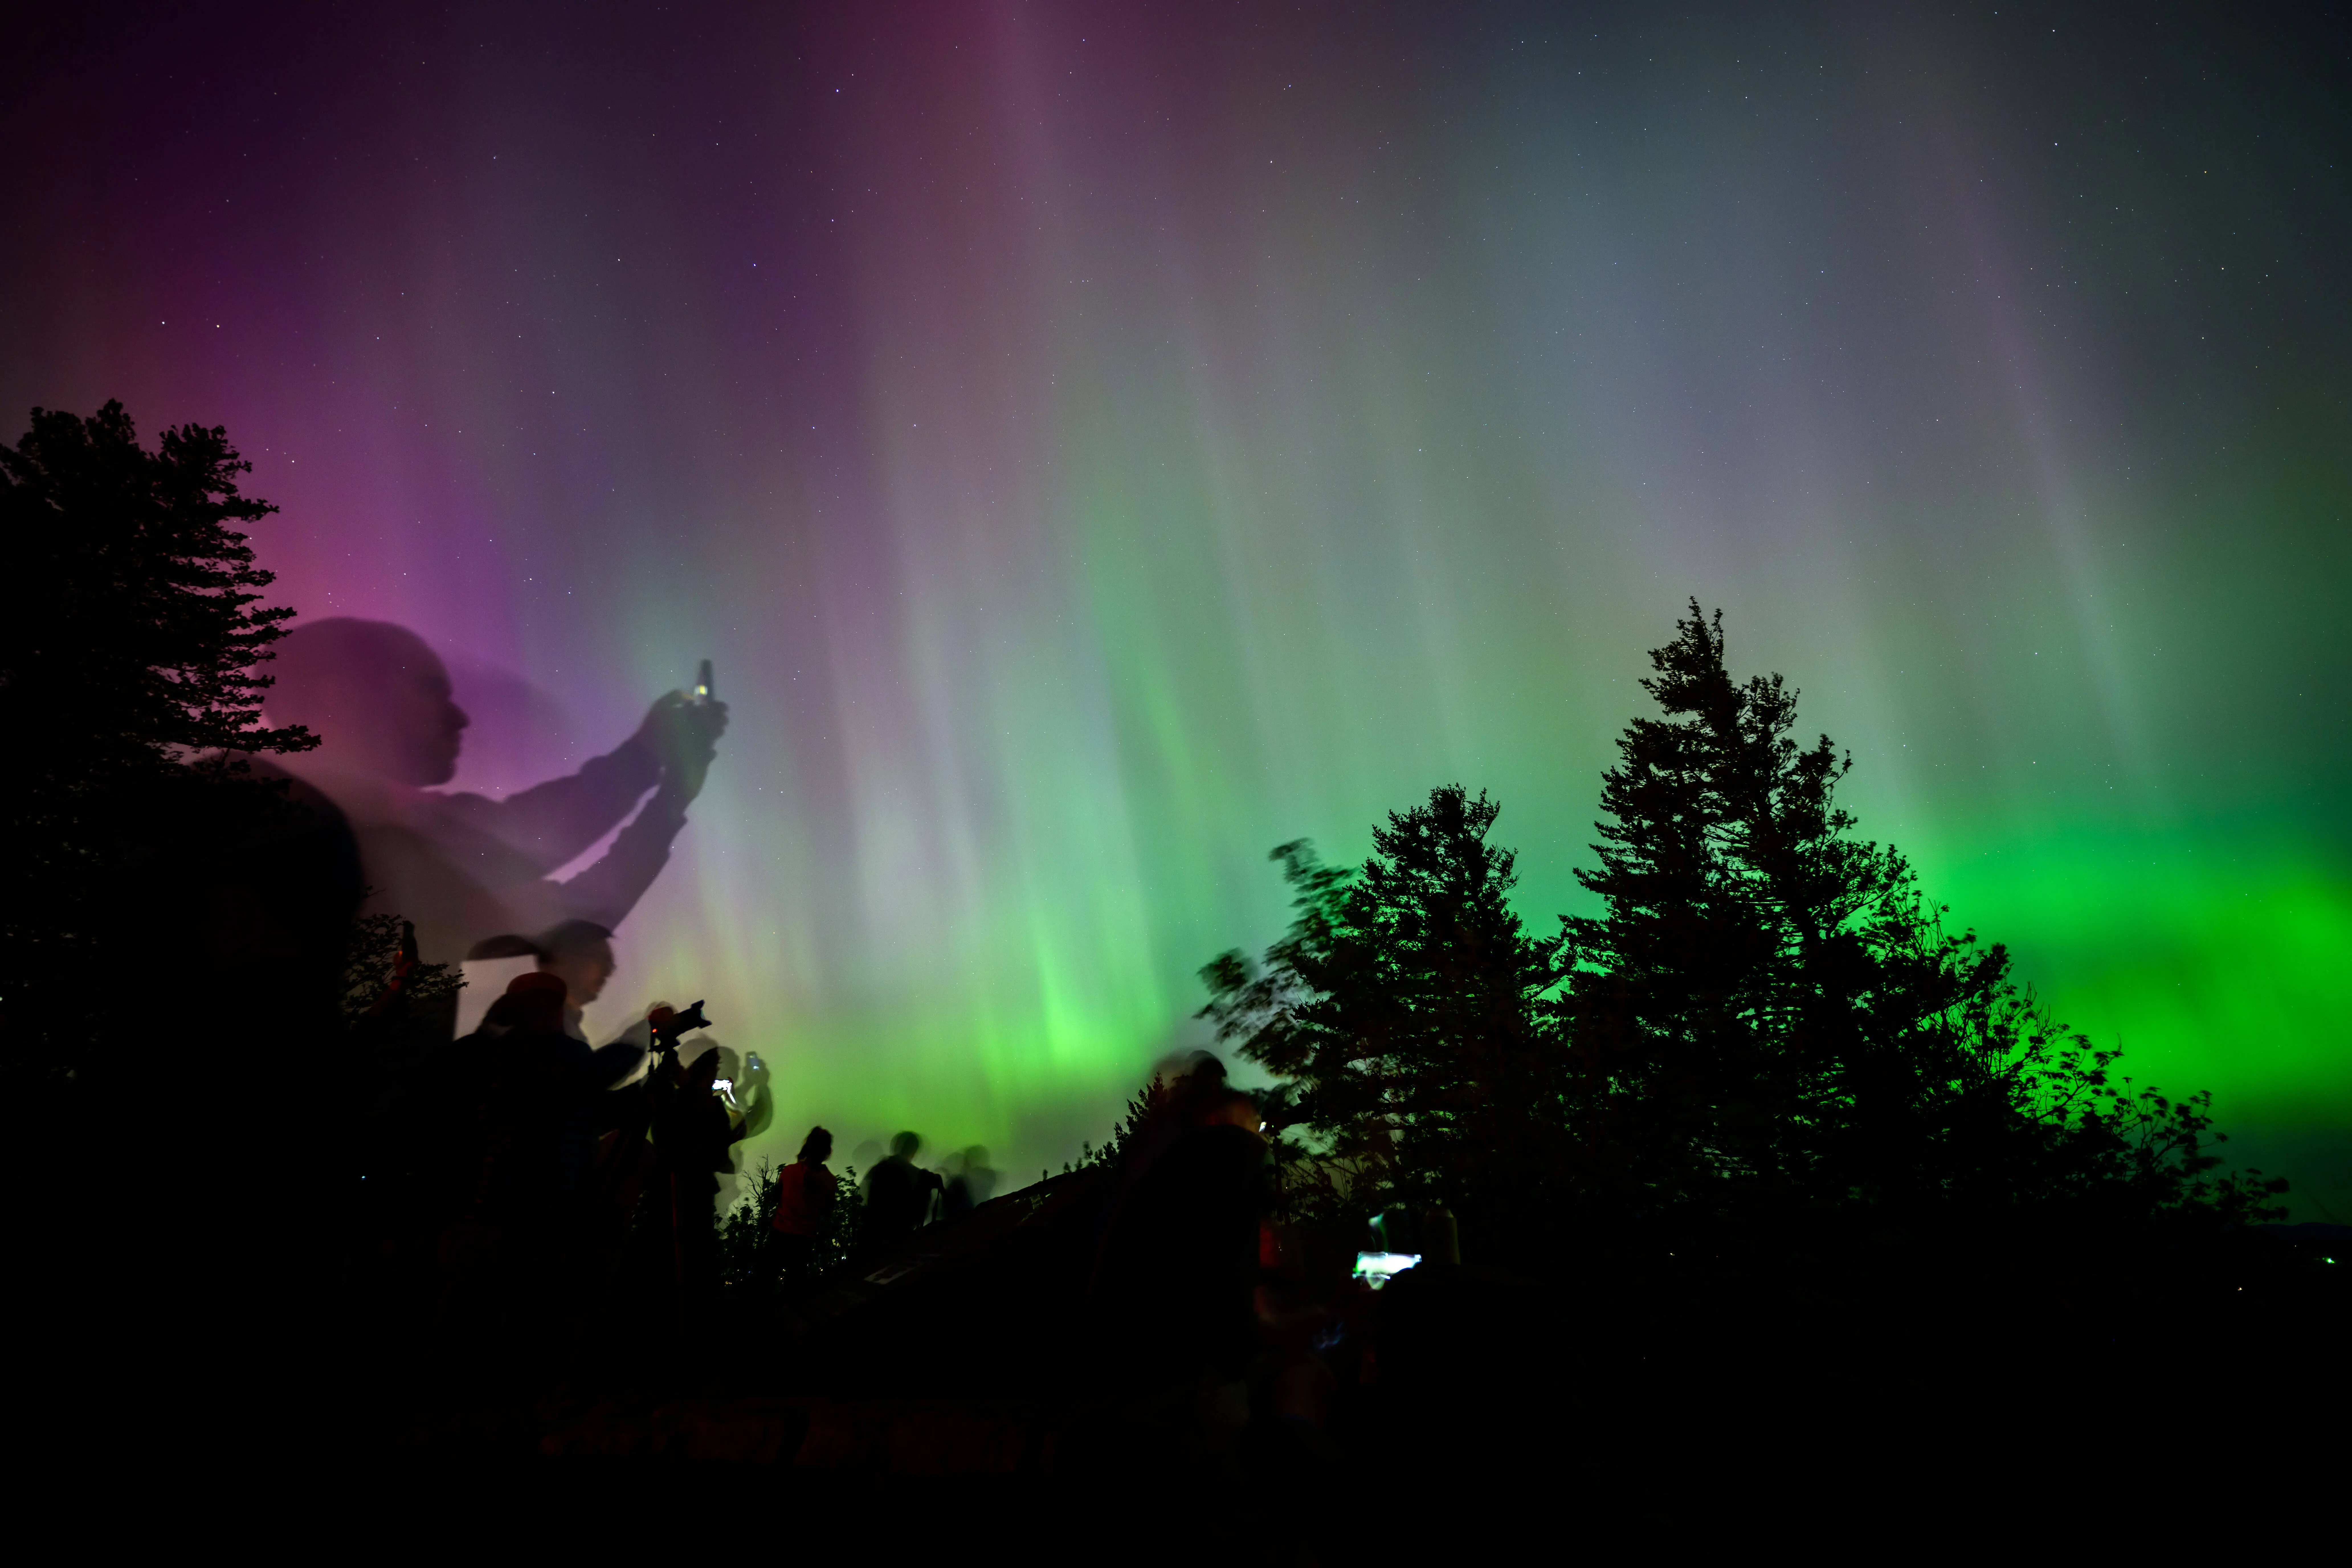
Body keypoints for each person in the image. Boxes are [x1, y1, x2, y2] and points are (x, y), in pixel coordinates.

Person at [263, 618, 728, 1000]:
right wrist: (649, 757)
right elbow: (535, 847)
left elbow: (574, 909)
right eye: (430, 689)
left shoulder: (371, 840)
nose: (459, 715)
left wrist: (670, 795)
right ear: (340, 697)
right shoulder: (352, 831)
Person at [768, 1126, 839, 1283]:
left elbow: (774, 1198)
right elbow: (828, 1212)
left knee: (767, 1279)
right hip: (805, 1240)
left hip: (779, 1234)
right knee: (795, 1282)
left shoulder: (789, 1172)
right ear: (828, 1152)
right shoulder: (831, 1181)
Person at [862, 1131, 945, 1246]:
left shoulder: (880, 1168)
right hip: (900, 1233)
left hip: (875, 1231)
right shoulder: (914, 1173)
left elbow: (864, 1196)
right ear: (914, 1151)